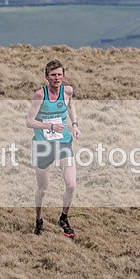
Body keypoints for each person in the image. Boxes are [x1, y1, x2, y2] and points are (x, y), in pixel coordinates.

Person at [25, 59, 81, 237]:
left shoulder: (68, 91)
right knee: (43, 189)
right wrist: (49, 126)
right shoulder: (40, 95)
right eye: (53, 75)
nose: (56, 78)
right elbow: (29, 121)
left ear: (63, 75)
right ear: (46, 77)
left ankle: (63, 218)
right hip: (42, 145)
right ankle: (39, 220)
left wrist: (75, 124)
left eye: (59, 74)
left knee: (71, 185)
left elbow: (70, 105)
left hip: (63, 142)